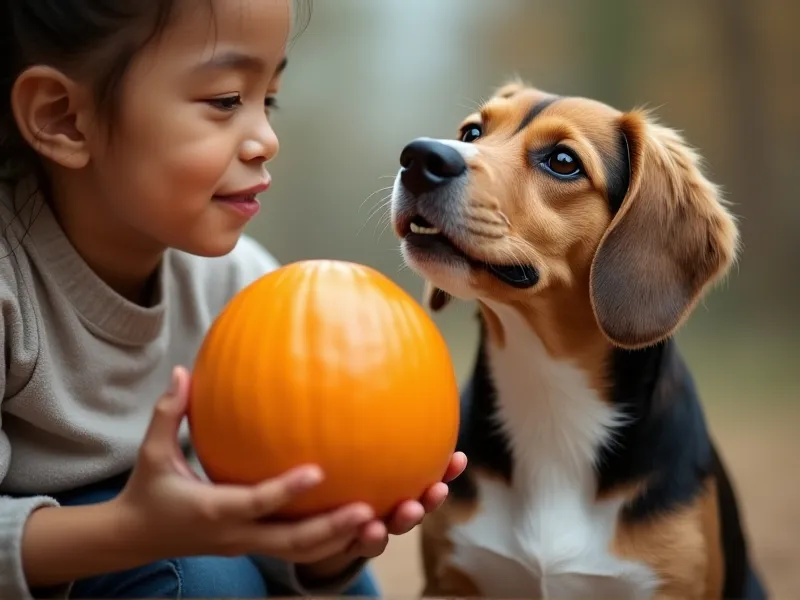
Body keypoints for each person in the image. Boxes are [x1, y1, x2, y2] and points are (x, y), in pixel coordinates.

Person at [0, 1, 468, 598]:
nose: (266, 140)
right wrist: (132, 531)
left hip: (182, 544)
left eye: (267, 99)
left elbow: (250, 528)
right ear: (64, 117)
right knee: (198, 577)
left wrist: (321, 546)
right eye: (225, 100)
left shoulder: (245, 291)